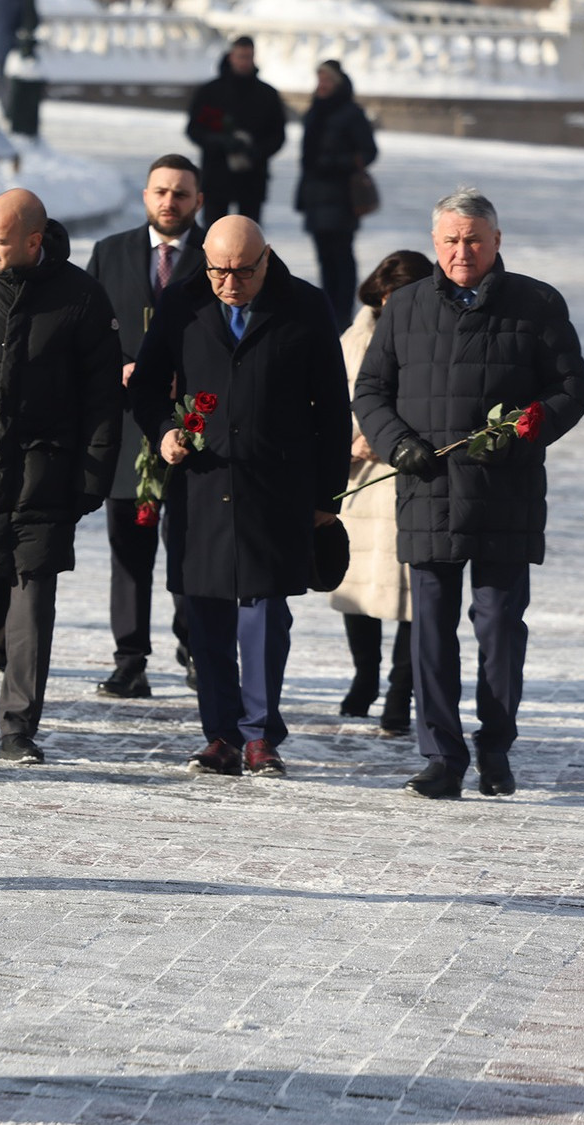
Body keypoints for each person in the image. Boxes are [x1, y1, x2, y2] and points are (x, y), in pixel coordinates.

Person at [353, 188, 584, 800]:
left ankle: (495, 745)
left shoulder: (537, 304)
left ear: (496, 242)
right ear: (436, 244)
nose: (463, 251)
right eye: (452, 240)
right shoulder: (404, 306)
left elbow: (571, 387)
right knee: (431, 627)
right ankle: (441, 756)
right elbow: (371, 390)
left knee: (500, 626)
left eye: (475, 239)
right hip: (428, 489)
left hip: (505, 491)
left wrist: (535, 423)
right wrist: (395, 442)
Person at [130, 216, 349, 779]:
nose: (229, 283)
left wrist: (329, 496)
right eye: (218, 271)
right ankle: (220, 735)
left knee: (264, 616)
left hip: (275, 489)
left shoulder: (306, 305)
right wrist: (164, 433)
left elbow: (330, 405)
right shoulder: (183, 303)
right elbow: (148, 387)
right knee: (205, 616)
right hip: (201, 486)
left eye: (242, 272)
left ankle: (260, 736)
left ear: (267, 259)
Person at [0, 189, 122, 762]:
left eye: (0, 238)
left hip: (44, 476)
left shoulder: (82, 298)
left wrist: (90, 478)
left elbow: (103, 399)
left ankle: (18, 728)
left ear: (35, 242)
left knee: (30, 613)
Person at [84, 152, 208, 699]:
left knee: (190, 545)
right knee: (129, 550)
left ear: (197, 200)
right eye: (161, 191)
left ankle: (196, 644)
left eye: (181, 193)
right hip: (130, 424)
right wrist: (119, 367)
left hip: (196, 426)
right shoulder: (110, 254)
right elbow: (83, 334)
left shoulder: (218, 253)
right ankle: (130, 658)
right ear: (145, 196)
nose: (170, 201)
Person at [331, 250, 432, 734]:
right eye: (390, 298)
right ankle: (364, 678)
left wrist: (390, 438)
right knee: (356, 587)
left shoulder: (431, 340)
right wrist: (352, 439)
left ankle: (400, 690)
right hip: (358, 482)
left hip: (407, 478)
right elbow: (330, 400)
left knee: (411, 594)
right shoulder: (354, 339)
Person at [295, 60, 377, 323]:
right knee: (324, 255)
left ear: (338, 83)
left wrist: (337, 164)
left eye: (327, 80)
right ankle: (328, 308)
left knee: (341, 254)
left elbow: (369, 151)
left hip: (342, 195)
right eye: (319, 79)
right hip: (315, 193)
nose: (322, 85)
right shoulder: (315, 110)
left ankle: (342, 313)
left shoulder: (351, 112)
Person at [185, 36, 287, 226]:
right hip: (216, 176)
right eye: (240, 56)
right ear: (231, 56)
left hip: (252, 178)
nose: (244, 62)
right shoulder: (211, 92)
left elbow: (278, 135)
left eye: (248, 57)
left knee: (248, 237)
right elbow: (194, 129)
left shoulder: (267, 94)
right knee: (214, 234)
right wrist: (219, 142)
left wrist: (258, 151)